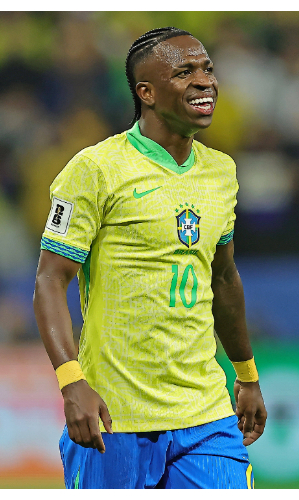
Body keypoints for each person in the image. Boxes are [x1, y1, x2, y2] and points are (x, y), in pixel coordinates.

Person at [33, 27, 267, 489]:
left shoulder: (221, 171)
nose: (205, 81)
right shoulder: (96, 169)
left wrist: (247, 375)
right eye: (185, 72)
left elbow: (223, 279)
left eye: (207, 69)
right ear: (147, 93)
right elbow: (49, 281)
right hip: (115, 414)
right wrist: (71, 381)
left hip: (206, 411)